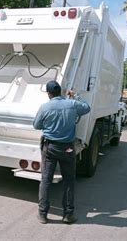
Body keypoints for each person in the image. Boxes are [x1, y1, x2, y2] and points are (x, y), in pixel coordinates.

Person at [33, 80, 91, 224]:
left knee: (46, 181)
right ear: (60, 91)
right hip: (67, 148)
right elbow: (87, 108)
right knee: (69, 181)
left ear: (49, 93)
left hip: (50, 147)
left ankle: (42, 215)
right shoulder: (71, 104)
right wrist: (75, 96)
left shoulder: (45, 107)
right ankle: (68, 215)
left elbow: (36, 125)